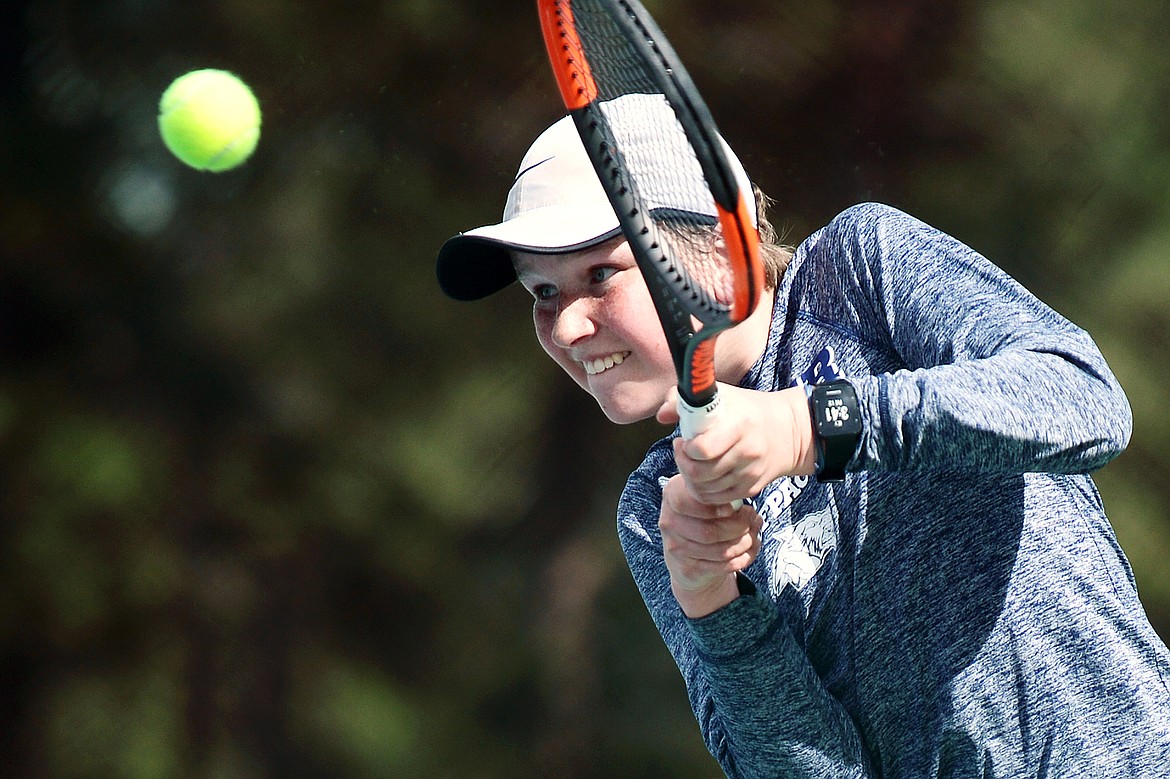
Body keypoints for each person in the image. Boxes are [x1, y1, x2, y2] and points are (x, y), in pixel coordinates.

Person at [435, 94, 1170, 777]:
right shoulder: (654, 510)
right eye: (543, 291)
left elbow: (1084, 399)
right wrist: (716, 609)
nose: (564, 325)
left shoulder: (856, 270)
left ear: (723, 243)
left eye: (600, 273)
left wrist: (808, 423)